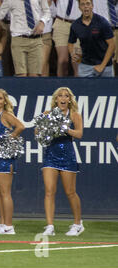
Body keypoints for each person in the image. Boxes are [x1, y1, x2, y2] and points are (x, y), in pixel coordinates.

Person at [38, 87, 84, 236]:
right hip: (50, 155)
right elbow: (37, 133)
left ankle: (78, 224)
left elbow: (79, 134)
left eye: (66, 96)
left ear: (70, 99)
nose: (63, 98)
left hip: (67, 156)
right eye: (60, 96)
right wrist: (42, 128)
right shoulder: (47, 114)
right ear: (56, 99)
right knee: (49, 192)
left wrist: (65, 129)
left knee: (70, 192)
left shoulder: (74, 115)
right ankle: (50, 226)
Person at [0, 0, 51, 77]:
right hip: (18, 40)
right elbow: (0, 15)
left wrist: (42, 22)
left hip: (36, 40)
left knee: (35, 76)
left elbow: (47, 12)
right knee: (21, 75)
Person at [0, 88, 24, 235]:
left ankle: (9, 226)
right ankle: (2, 223)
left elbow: (21, 126)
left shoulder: (6, 115)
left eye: (0, 98)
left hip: (5, 159)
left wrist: (11, 137)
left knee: (5, 192)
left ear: (5, 101)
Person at [40, 0, 81, 77]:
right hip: (61, 22)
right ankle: (60, 90)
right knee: (63, 61)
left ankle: (79, 89)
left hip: (78, 25)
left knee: (77, 61)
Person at [68, 0, 115, 77]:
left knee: (106, 90)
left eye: (88, 4)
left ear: (92, 6)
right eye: (82, 4)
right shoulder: (75, 25)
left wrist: (102, 65)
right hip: (85, 67)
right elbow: (70, 42)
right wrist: (72, 53)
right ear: (79, 7)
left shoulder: (103, 22)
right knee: (84, 90)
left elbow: (112, 45)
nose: (85, 6)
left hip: (105, 67)